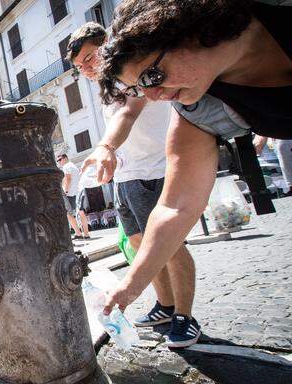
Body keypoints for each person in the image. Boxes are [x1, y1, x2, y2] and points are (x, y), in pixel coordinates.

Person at [95, 0, 292, 327]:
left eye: (153, 75)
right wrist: (128, 288)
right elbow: (175, 206)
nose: (155, 95)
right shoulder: (198, 112)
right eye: (141, 87)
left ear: (188, 30)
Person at [68, 22, 199, 347]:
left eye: (88, 57)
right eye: (78, 66)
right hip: (127, 178)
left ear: (106, 44)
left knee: (169, 246)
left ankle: (186, 317)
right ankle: (165, 306)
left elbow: (128, 114)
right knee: (140, 247)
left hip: (153, 170)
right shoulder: (106, 85)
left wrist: (105, 148)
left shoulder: (131, 73)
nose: (84, 68)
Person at [57, 154, 90, 240]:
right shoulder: (74, 166)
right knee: (81, 212)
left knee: (69, 214)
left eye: (60, 159)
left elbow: (68, 179)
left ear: (65, 158)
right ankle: (86, 234)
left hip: (71, 193)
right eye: (58, 160)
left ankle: (78, 233)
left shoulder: (66, 166)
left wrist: (66, 191)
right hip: (79, 191)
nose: (59, 162)